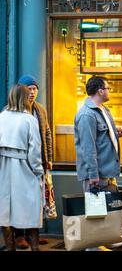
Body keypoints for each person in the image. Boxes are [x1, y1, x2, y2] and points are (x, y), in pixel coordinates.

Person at [74, 76, 122, 251]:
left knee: (106, 212)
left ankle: (103, 243)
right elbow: (88, 148)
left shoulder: (103, 110)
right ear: (100, 91)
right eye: (108, 88)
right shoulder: (86, 114)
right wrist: (93, 175)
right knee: (94, 215)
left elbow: (99, 138)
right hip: (97, 174)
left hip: (107, 172)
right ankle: (93, 248)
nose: (109, 90)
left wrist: (115, 133)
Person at [0, 85, 44, 251]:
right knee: (30, 210)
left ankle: (10, 247)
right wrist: (38, 171)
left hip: (4, 168)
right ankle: (34, 248)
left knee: (4, 212)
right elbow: (34, 150)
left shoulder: (1, 117)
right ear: (24, 98)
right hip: (24, 168)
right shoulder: (29, 120)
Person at [14, 75, 55, 249]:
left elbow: (47, 134)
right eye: (28, 89)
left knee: (37, 200)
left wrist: (49, 159)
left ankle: (33, 236)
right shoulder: (13, 111)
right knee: (20, 199)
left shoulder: (40, 109)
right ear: (21, 90)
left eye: (34, 88)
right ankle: (18, 236)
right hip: (21, 164)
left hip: (39, 161)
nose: (32, 92)